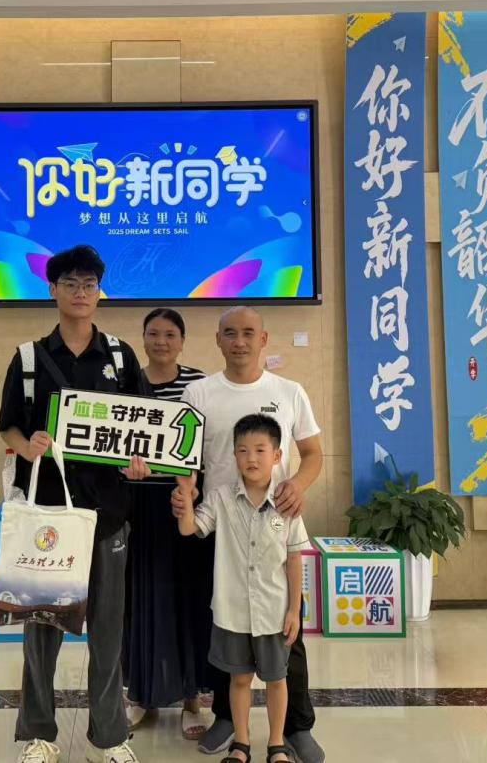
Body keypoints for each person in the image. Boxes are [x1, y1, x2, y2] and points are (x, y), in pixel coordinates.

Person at [0, 245, 152, 763]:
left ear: (99, 292)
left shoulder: (121, 357)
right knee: (42, 631)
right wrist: (27, 446)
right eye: (70, 283)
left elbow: (144, 428)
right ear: (53, 290)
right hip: (48, 518)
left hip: (109, 516)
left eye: (89, 284)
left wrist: (139, 460)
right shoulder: (28, 359)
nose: (81, 292)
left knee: (108, 633)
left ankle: (109, 738)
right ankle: (39, 735)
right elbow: (8, 427)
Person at [174, 307, 326, 763]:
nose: (239, 341)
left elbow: (313, 453)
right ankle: (227, 719)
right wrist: (186, 493)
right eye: (230, 333)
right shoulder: (199, 392)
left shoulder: (289, 391)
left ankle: (295, 727)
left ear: (263, 339)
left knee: (286, 634)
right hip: (220, 524)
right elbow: (183, 457)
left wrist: (297, 485)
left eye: (247, 333)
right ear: (218, 340)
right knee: (225, 626)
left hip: (274, 522)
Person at [175, 414, 307, 763]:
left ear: (277, 455)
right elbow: (189, 529)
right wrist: (185, 493)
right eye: (243, 450)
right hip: (232, 612)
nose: (251, 458)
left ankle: (276, 744)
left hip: (273, 612)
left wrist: (294, 610)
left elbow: (294, 558)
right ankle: (242, 744)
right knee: (239, 680)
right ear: (234, 455)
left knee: (277, 680)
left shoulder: (286, 504)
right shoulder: (220, 498)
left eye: (260, 450)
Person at [122, 308, 211, 739]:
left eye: (170, 334)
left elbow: (209, 444)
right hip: (138, 505)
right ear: (142, 338)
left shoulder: (199, 385)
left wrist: (191, 491)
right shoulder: (126, 384)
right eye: (153, 333)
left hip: (186, 503)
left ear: (182, 341)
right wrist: (125, 468)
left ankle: (192, 699)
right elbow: (110, 444)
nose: (161, 341)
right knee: (141, 598)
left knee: (188, 599)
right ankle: (140, 695)